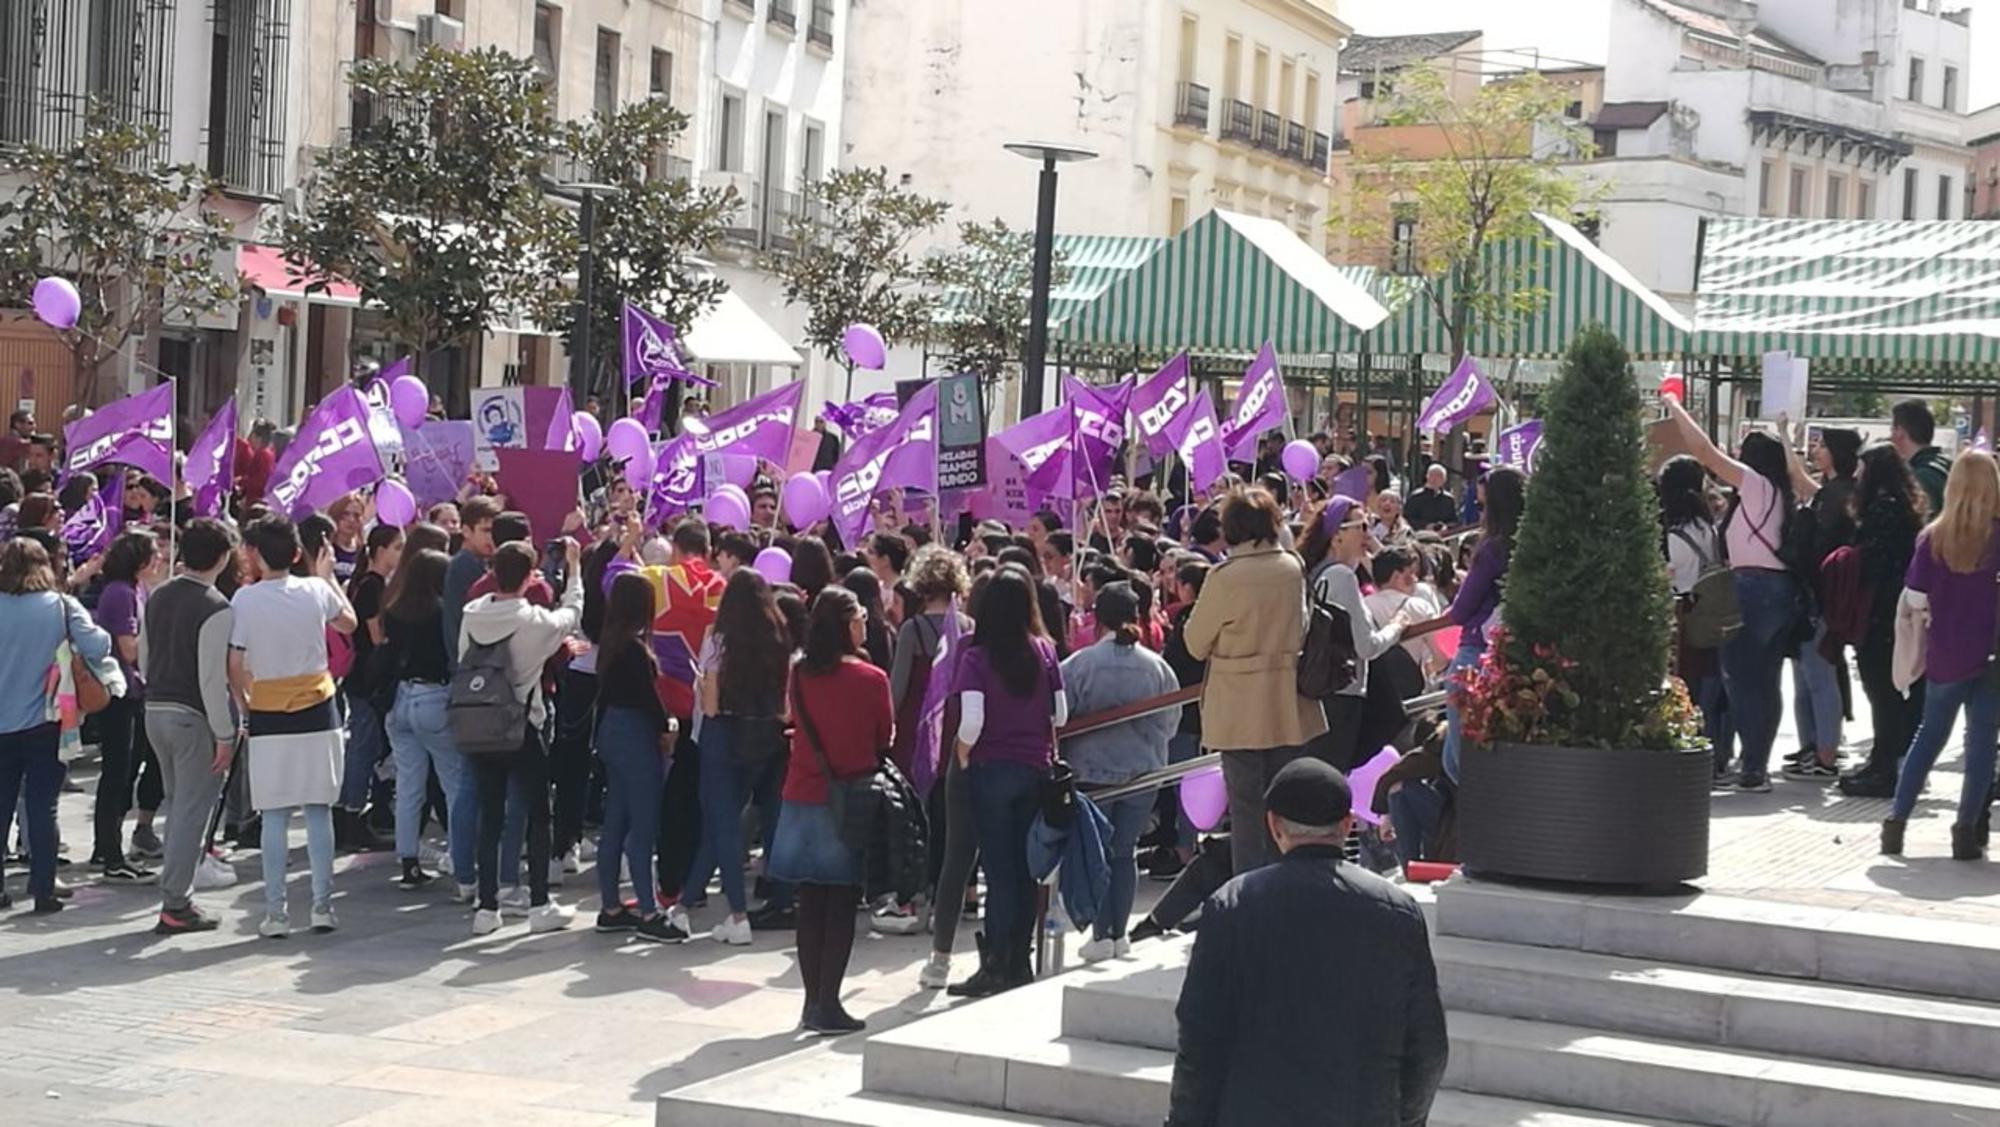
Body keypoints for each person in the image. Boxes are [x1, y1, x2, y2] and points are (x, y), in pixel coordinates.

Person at [1165, 758, 1447, 1127]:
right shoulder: (1397, 911)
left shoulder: (1232, 905)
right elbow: (1427, 1048)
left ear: (1273, 825)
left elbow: (1200, 1040)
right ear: (1347, 824)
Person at [1663, 398, 1805, 792]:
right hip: (1778, 590)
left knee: (1740, 680)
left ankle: (1752, 767)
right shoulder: (1779, 492)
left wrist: (1675, 406)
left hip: (1752, 588)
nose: (1736, 460)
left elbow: (1704, 451)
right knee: (1765, 681)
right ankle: (1755, 763)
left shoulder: (1757, 487)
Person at [1183, 490, 1328, 874]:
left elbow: (1195, 643)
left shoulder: (1225, 577)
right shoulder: (1292, 567)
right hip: (1286, 698)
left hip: (1237, 703)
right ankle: (1287, 881)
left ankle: (1248, 891)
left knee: (1246, 807)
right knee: (1284, 803)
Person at [228, 515, 359, 937]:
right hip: (319, 707)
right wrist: (328, 578)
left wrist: (242, 704)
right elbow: (349, 623)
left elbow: (234, 662)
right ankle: (322, 905)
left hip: (268, 710)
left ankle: (276, 912)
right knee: (319, 810)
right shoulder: (316, 590)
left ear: (255, 555)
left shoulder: (245, 601)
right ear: (297, 553)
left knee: (275, 814)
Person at [775, 586, 894, 1035]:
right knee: (841, 901)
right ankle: (828, 1001)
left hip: (802, 793)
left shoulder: (800, 673)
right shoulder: (871, 679)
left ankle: (812, 1001)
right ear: (848, 623)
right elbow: (884, 737)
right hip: (848, 798)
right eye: (860, 614)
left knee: (810, 902)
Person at [946, 565, 1067, 999]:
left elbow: (972, 720)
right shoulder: (1045, 651)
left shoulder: (976, 658)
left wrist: (962, 752)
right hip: (1035, 768)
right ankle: (1019, 959)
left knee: (997, 873)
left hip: (991, 769)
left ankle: (995, 963)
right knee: (1024, 868)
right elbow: (1062, 713)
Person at [459, 537, 584, 935]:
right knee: (537, 814)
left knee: (490, 813)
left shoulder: (472, 613)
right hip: (521, 724)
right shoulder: (533, 621)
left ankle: (486, 905)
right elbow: (571, 613)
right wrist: (575, 570)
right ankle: (539, 903)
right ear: (531, 577)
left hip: (480, 721)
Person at [1882, 452, 2000, 860]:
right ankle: (1965, 832)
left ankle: (1896, 822)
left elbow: (1915, 596)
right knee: (1981, 744)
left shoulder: (1934, 537)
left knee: (1928, 736)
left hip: (1946, 652)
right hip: (1992, 656)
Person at [1061, 581, 1179, 962]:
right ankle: (1118, 932)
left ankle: (1100, 932)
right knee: (1124, 852)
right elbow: (1171, 721)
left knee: (1095, 852)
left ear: (1098, 618)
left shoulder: (1079, 664)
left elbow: (1060, 715)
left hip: (1092, 770)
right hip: (1142, 770)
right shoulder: (1157, 666)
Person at [0, 538, 116, 914]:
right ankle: (43, 887)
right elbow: (99, 646)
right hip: (46, 720)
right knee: (42, 805)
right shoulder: (61, 607)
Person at [139, 518, 239, 933]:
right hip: (192, 717)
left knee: (178, 803)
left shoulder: (158, 594)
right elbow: (211, 680)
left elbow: (144, 658)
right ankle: (176, 902)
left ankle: (177, 895)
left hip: (155, 710)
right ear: (223, 557)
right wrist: (225, 733)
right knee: (190, 811)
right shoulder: (216, 606)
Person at [690, 568, 792, 945]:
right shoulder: (779, 638)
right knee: (749, 821)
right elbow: (785, 707)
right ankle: (685, 903)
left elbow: (712, 706)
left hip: (725, 733)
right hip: (767, 736)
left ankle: (737, 913)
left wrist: (702, 687)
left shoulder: (719, 640)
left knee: (723, 824)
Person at [592, 571, 685, 943]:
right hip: (634, 733)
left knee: (615, 821)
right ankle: (649, 910)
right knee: (643, 823)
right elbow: (649, 698)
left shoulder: (611, 643)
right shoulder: (634, 648)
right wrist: (668, 726)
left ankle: (611, 906)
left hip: (612, 730)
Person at [378, 547, 473, 892]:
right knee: (454, 782)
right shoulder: (442, 613)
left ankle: (409, 863)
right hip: (435, 698)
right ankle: (465, 862)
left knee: (408, 786)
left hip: (400, 699)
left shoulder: (395, 611)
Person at [1299, 496, 1410, 771]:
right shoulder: (1342, 577)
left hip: (1317, 693)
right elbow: (1366, 647)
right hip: (1342, 694)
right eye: (1360, 527)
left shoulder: (1316, 573)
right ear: (1337, 535)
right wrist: (1397, 626)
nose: (1367, 534)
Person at [1839, 446, 1925, 798]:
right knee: (1889, 690)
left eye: (1861, 469)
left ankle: (1884, 766)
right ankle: (1884, 760)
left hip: (1880, 612)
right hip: (1898, 610)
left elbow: (1872, 561)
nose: (1857, 476)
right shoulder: (1905, 507)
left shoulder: (1881, 509)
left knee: (1880, 691)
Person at [1439, 466, 1526, 784]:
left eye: (1483, 504)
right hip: (1517, 656)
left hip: (1476, 652)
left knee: (1459, 760)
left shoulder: (1491, 549)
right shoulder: (1534, 548)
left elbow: (1461, 611)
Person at [91, 529, 168, 882]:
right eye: (154, 554)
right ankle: (108, 851)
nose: (160, 560)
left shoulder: (137, 590)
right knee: (117, 771)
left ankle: (108, 846)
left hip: (136, 691)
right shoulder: (120, 593)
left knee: (128, 767)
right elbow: (130, 648)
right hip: (120, 693)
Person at [1658, 456, 1735, 782]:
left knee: (1685, 684)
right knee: (1714, 686)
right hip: (1712, 610)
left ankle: (1691, 749)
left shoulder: (1669, 531)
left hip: (1683, 613)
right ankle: (1718, 754)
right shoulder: (1709, 527)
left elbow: (1665, 575)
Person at [336, 523, 402, 851]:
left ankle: (361, 810)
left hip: (363, 676)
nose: (400, 555)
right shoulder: (372, 586)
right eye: (396, 548)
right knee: (363, 745)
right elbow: (376, 637)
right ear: (380, 551)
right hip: (366, 677)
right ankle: (350, 814)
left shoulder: (370, 584)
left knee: (369, 744)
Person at [440, 494, 503, 669]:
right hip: (470, 667)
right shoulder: (465, 564)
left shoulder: (478, 562)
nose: (492, 538)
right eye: (486, 530)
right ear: (466, 531)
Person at [1890, 398, 1952, 517]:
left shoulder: (1919, 477)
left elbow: (1921, 523)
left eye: (1892, 429)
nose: (1890, 436)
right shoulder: (1948, 464)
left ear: (1900, 432)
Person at [1404, 463, 1456, 530]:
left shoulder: (1448, 499)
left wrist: (1445, 527)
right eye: (1432, 475)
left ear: (1444, 479)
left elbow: (1454, 520)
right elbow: (1407, 518)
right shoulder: (1415, 496)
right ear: (1427, 476)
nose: (1434, 479)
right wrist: (1425, 526)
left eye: (1439, 476)